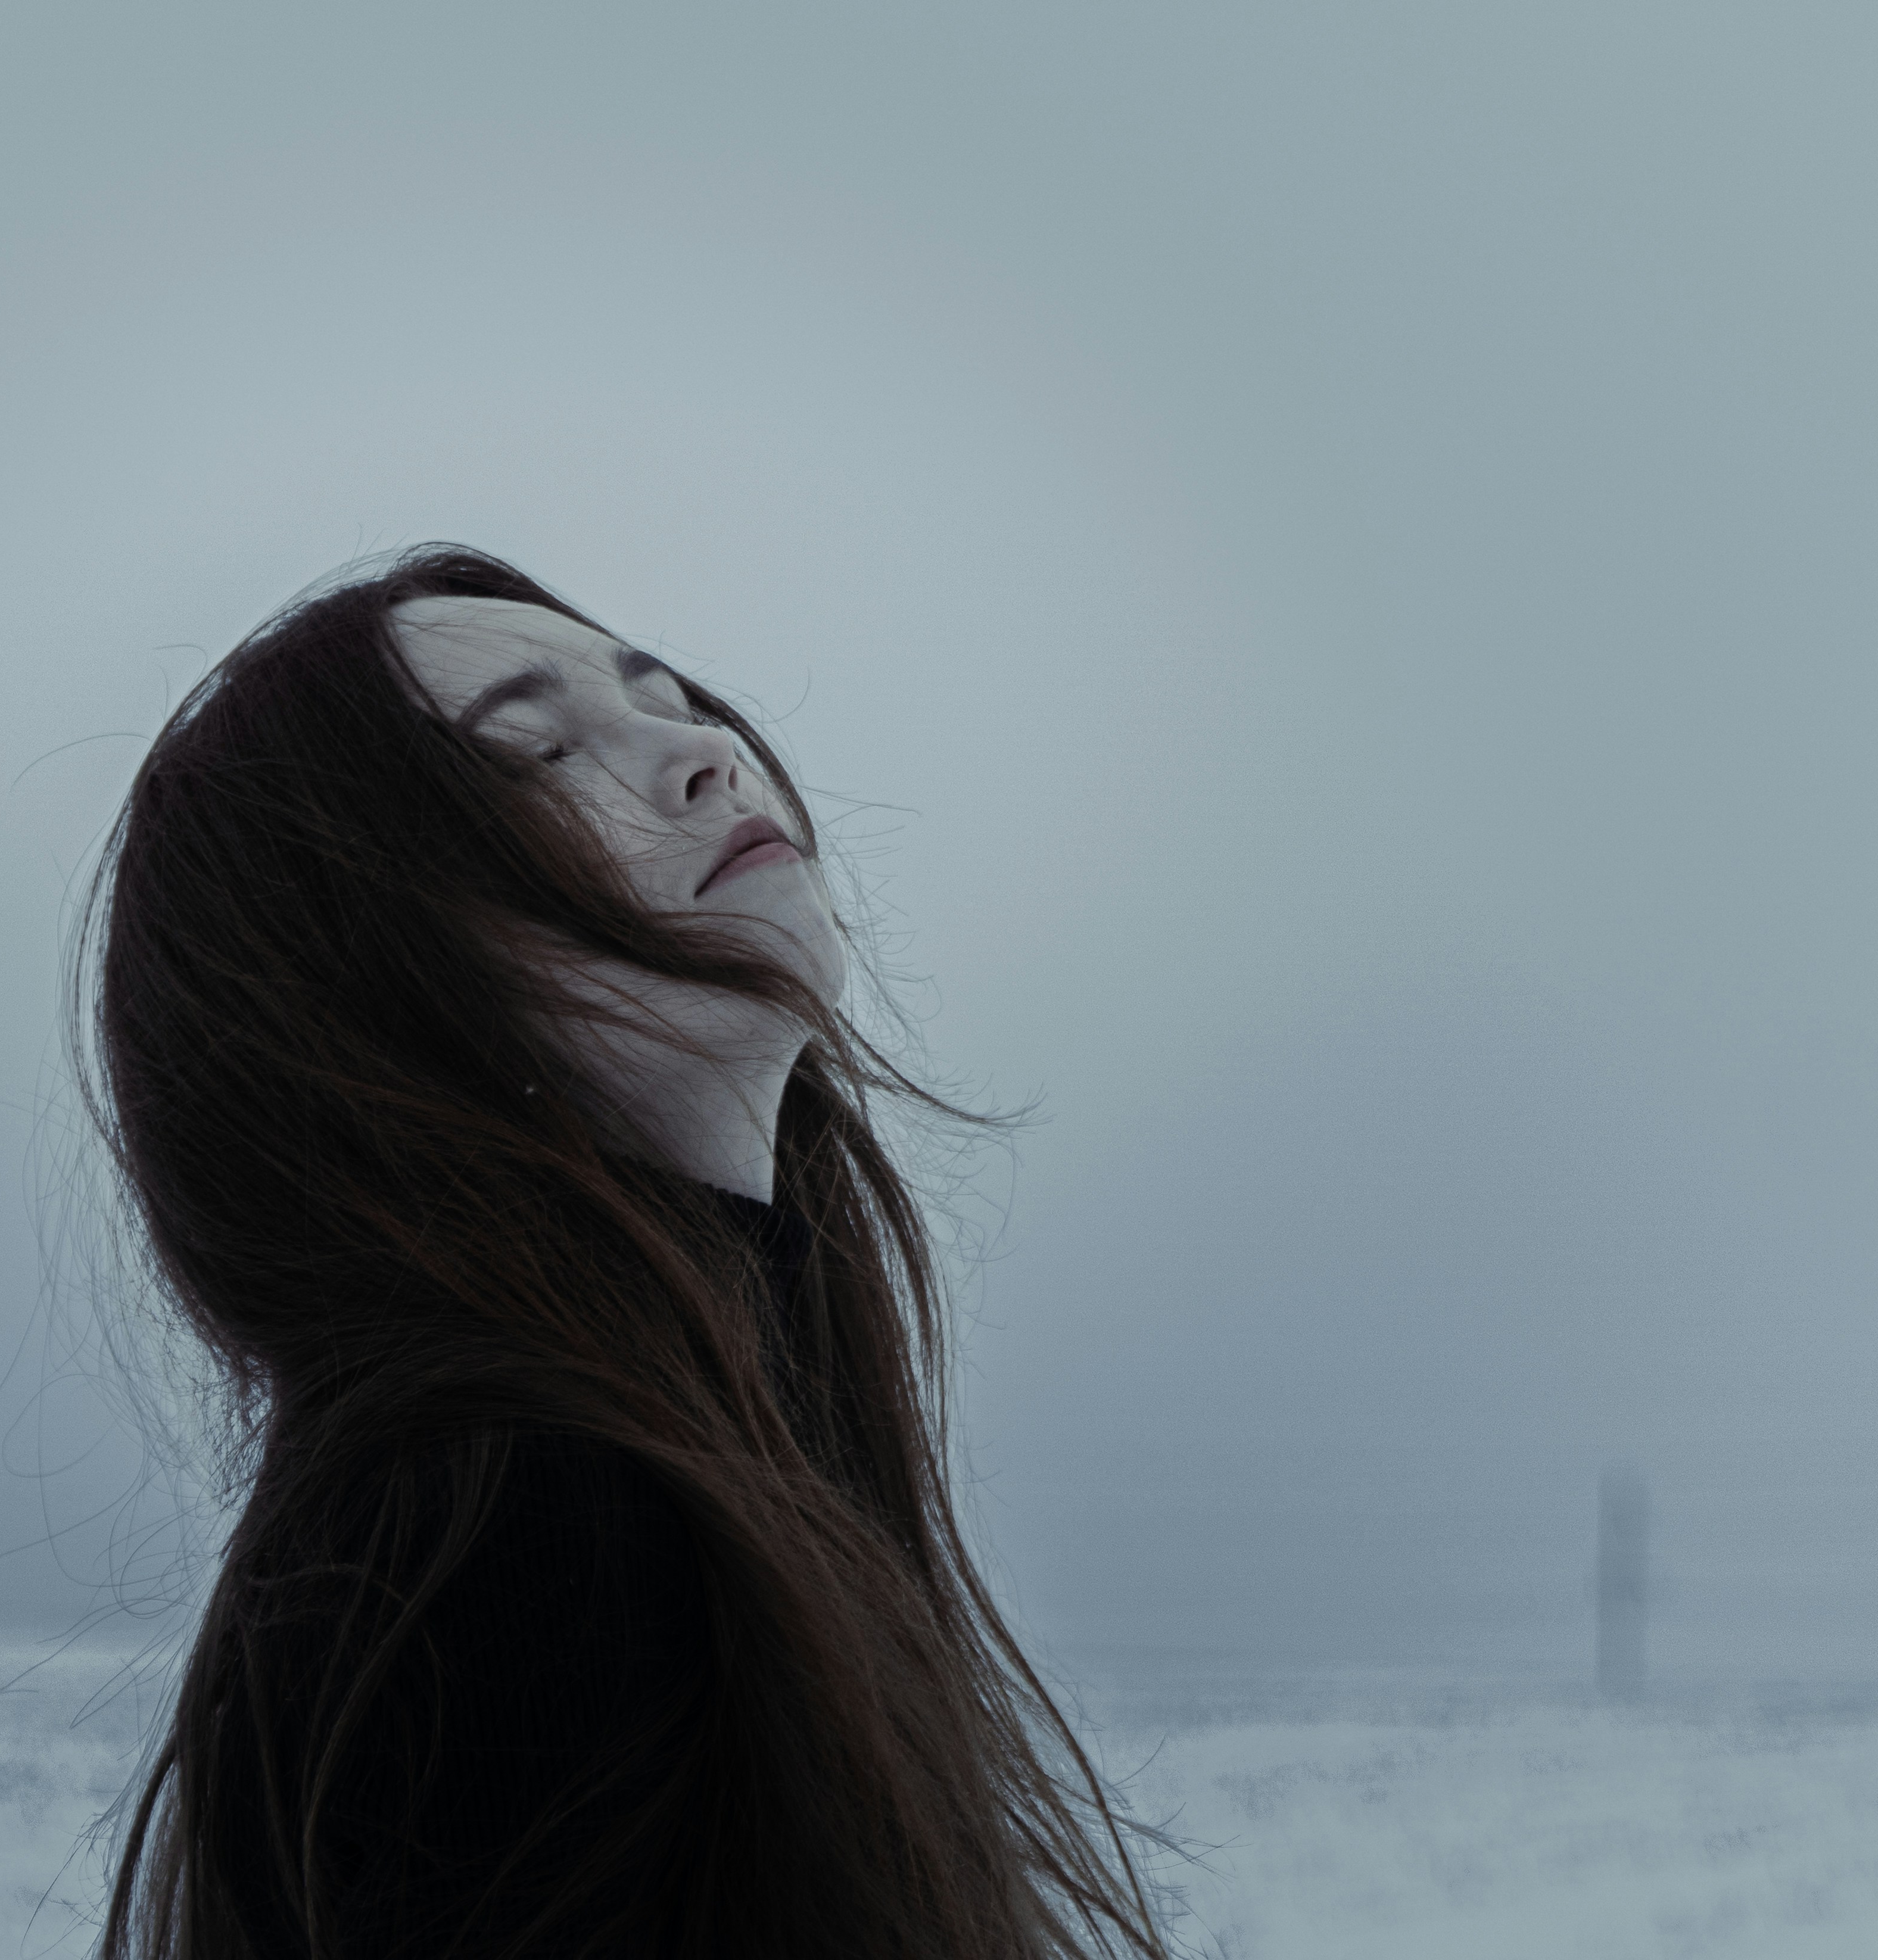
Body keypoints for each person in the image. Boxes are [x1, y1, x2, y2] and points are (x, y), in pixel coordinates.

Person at [82, 546, 1166, 1959]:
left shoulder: (695, 1453)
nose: (704, 750)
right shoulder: (494, 1530)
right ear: (361, 978)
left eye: (666, 694)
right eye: (536, 754)